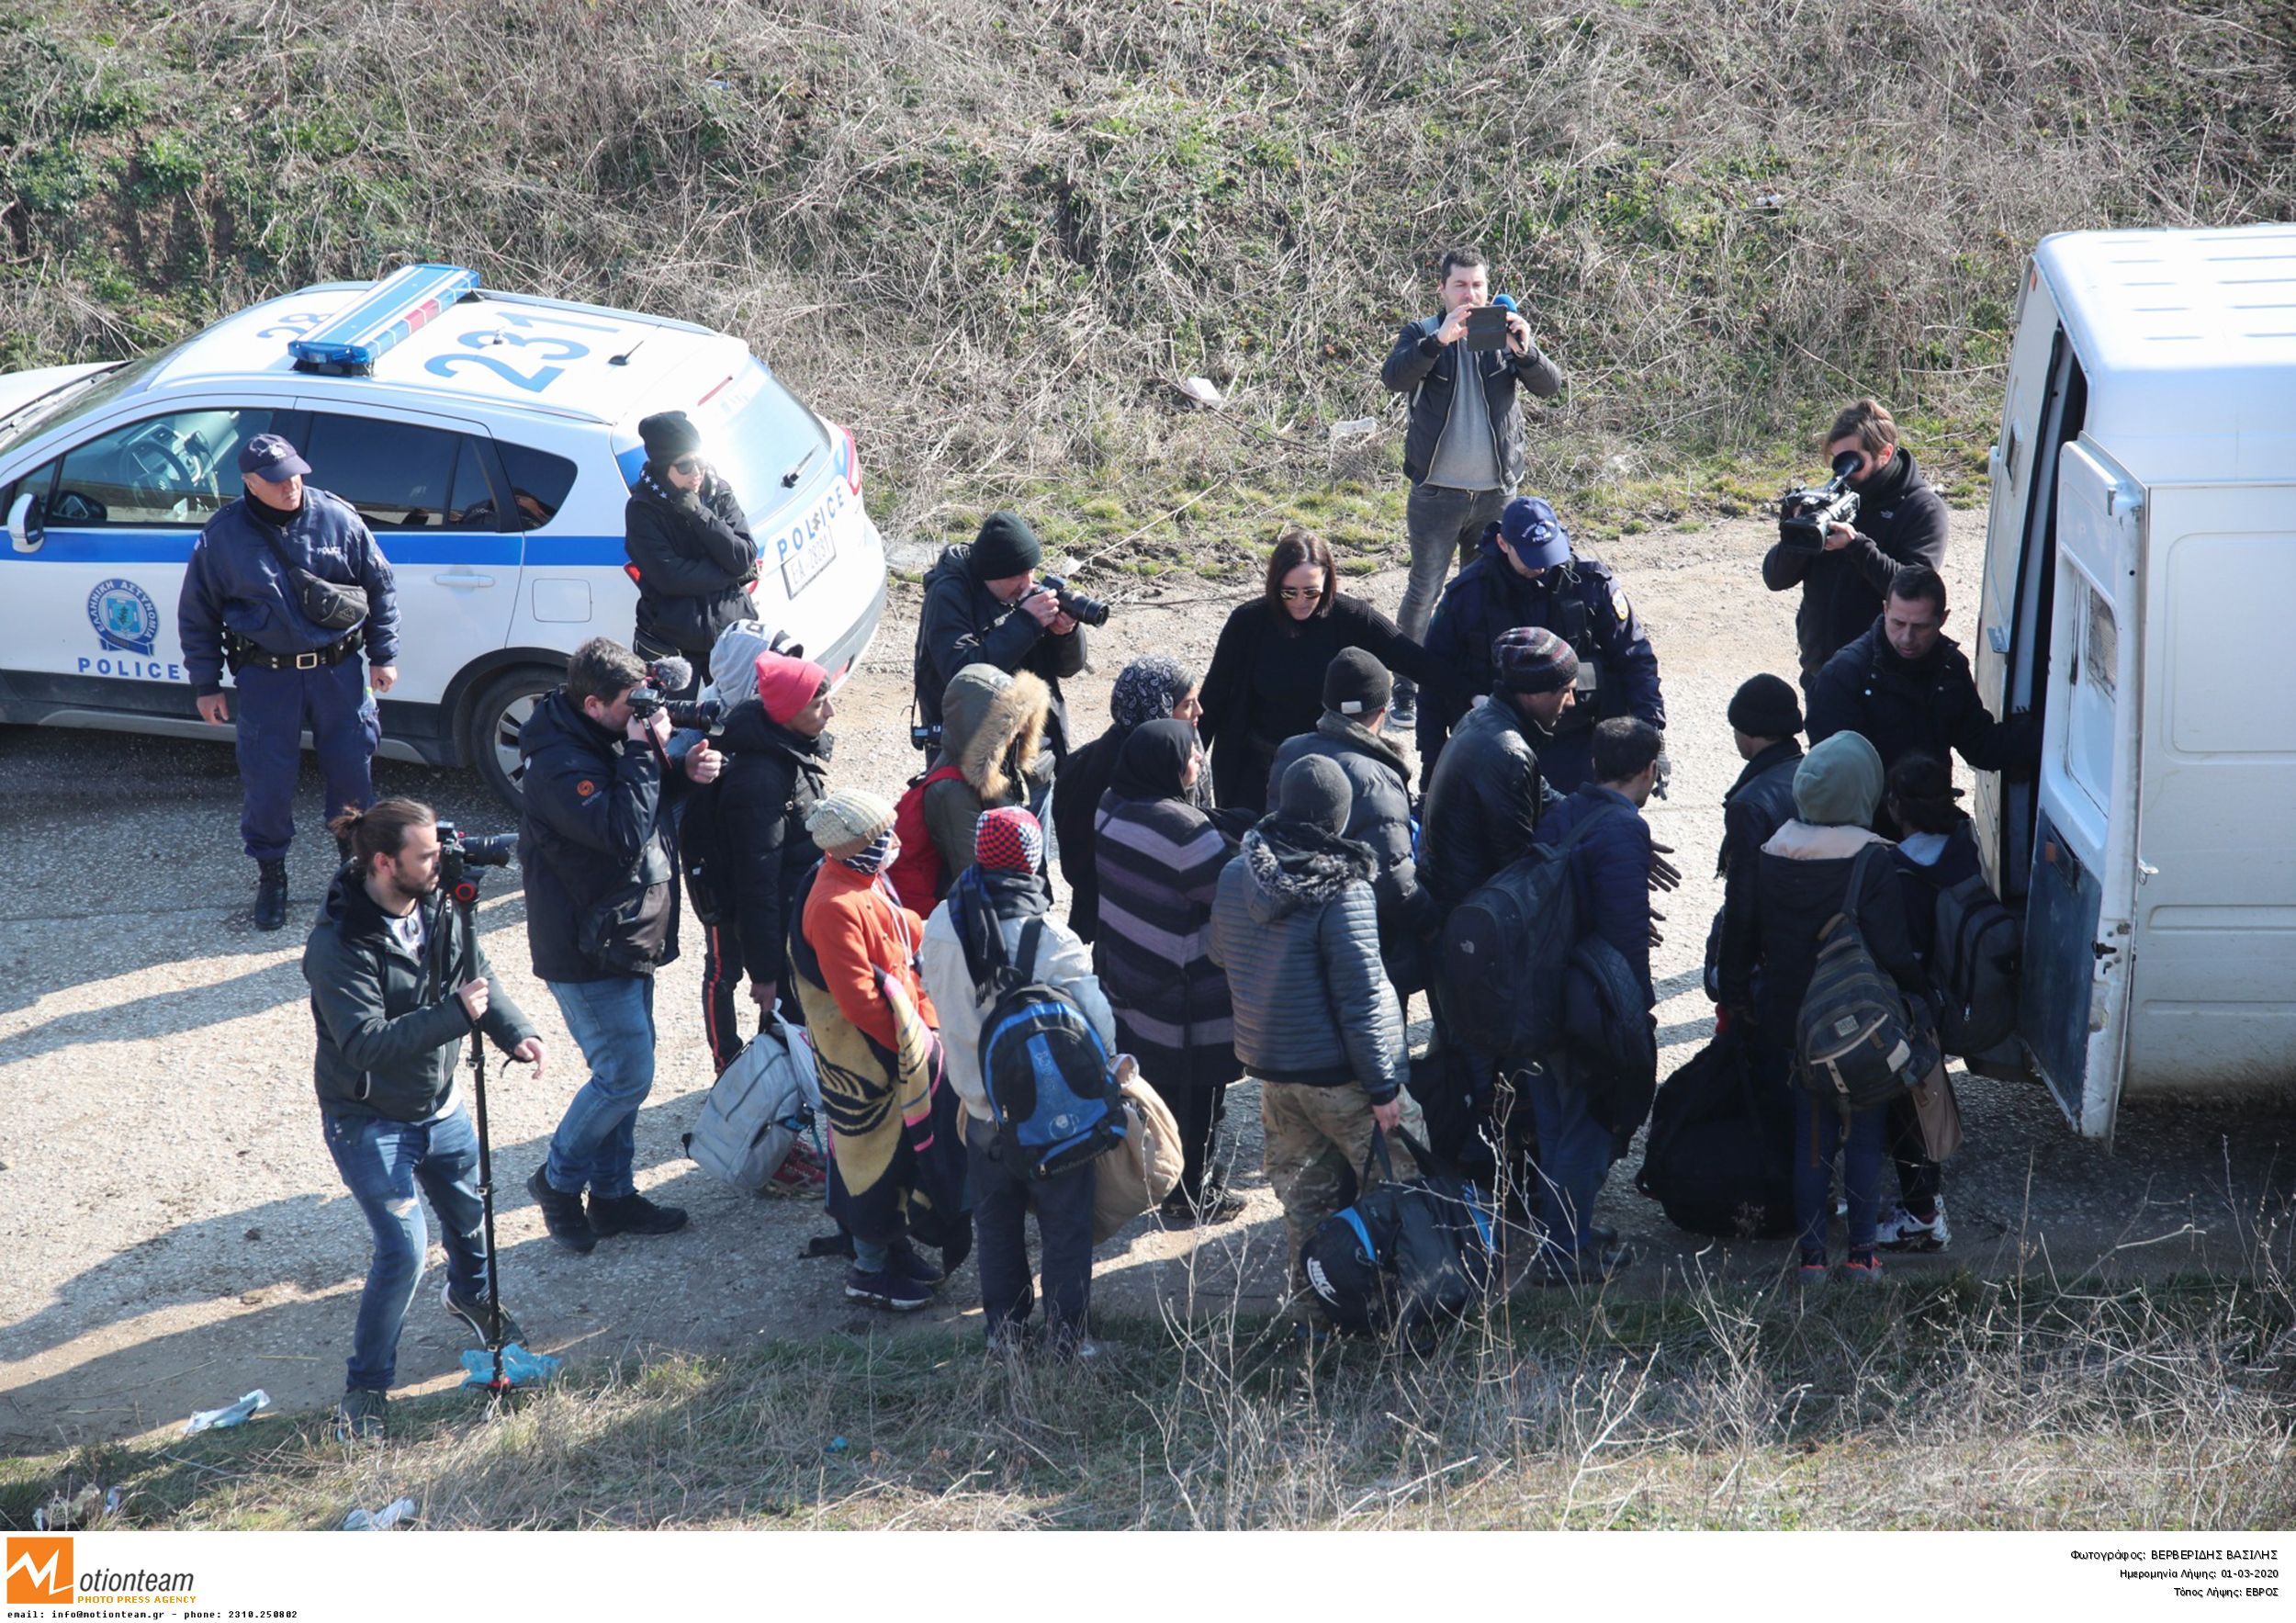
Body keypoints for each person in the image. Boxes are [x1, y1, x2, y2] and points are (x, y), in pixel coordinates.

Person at [302, 798, 545, 1440]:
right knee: (403, 1251)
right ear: (385, 862)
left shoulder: (439, 903)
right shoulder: (338, 942)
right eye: (428, 854)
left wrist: (513, 1031)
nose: (442, 860)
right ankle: (366, 1390)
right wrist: (458, 1016)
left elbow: (477, 975)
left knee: (470, 1217)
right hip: (369, 1119)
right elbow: (365, 1043)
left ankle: (471, 1297)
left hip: (441, 1106)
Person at [517, 637, 723, 1255]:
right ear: (591, 702)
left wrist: (680, 775)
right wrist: (641, 750)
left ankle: (612, 1195)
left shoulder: (602, 730)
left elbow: (649, 805)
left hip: (629, 929)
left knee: (622, 1074)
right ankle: (557, 1180)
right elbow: (622, 830)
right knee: (626, 1075)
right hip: (586, 945)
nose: (641, 713)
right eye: (629, 705)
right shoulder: (556, 764)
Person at [178, 432, 400, 930]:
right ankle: (272, 876)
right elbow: (198, 615)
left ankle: (354, 872)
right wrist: (205, 683)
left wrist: (383, 655)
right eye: (278, 480)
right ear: (251, 483)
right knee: (267, 783)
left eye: (297, 474)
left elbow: (380, 586)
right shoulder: (224, 535)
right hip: (267, 678)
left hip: (338, 671)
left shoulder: (337, 517)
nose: (291, 486)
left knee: (352, 775)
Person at [1733, 731, 1930, 1284]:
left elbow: (1743, 933)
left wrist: (1738, 996)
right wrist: (1926, 998)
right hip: (1859, 1026)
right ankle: (1863, 1257)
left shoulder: (1770, 851)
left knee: (1811, 1140)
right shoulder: (1872, 860)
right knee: (1865, 1136)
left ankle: (1812, 1260)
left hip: (1792, 1023)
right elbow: (1893, 951)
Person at [1210, 755, 1423, 1267]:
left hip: (1275, 1076)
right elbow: (1363, 998)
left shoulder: (1238, 873)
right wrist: (1383, 1088)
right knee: (1407, 1191)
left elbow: (1221, 953)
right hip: (1344, 1080)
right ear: (1339, 818)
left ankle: (1314, 1316)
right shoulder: (1346, 890)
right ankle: (1406, 1311)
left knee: (1305, 1208)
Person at [923, 808, 1115, 1355]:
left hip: (978, 1109)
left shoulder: (941, 923)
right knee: (1064, 1224)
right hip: (1049, 1112)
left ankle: (1004, 1336)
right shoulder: (1050, 936)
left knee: (997, 1224)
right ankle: (1067, 1340)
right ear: (1033, 860)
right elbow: (1097, 1022)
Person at [1379, 246, 1564, 728]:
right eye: (1461, 286)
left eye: (1478, 285)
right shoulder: (1422, 333)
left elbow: (1550, 386)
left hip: (1496, 494)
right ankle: (1406, 687)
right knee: (1423, 593)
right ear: (1442, 290)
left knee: (1489, 593)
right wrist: (1437, 342)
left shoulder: (1502, 335)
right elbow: (1393, 378)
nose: (1471, 294)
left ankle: (1482, 681)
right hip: (1436, 493)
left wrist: (1526, 350)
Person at [790, 788, 955, 1312]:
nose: (892, 842)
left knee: (900, 1157)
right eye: (881, 837)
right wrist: (910, 1051)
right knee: (872, 1163)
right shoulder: (833, 904)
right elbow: (860, 1001)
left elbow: (899, 930)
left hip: (891, 1043)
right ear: (852, 846)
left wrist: (944, 931)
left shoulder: (862, 879)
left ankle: (893, 1249)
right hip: (867, 1059)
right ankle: (868, 1271)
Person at [1093, 719, 1244, 1224]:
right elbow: (1233, 895)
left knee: (1152, 1089)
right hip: (1186, 1002)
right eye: (1193, 757)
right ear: (1171, 767)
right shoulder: (1186, 833)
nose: (1198, 763)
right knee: (1200, 1099)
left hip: (1132, 982)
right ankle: (1192, 1192)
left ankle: (1156, 1171)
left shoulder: (1110, 804)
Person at [1528, 718, 1662, 1285]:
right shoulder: (1625, 831)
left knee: (1556, 1122)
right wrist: (1635, 1015)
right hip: (1591, 1004)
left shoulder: (1561, 813)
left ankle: (1564, 1236)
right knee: (1587, 1127)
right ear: (1649, 772)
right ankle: (1564, 1255)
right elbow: (1626, 934)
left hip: (1543, 993)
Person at [1416, 494, 1664, 796]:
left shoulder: (1591, 583)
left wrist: (1651, 740)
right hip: (1497, 742)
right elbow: (1432, 678)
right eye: (1532, 557)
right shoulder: (1468, 595)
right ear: (1504, 544)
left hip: (1577, 737)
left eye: (1549, 553)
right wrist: (1432, 764)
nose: (1542, 567)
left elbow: (1635, 659)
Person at [1198, 528, 1445, 816]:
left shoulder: (1350, 616)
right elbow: (1213, 697)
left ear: (1328, 582)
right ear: (1274, 585)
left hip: (1326, 768)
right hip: (1256, 764)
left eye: (1311, 591)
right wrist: (1184, 760)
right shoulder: (1248, 622)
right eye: (1289, 592)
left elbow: (1415, 661)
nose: (1301, 601)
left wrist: (1475, 693)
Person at [685, 642, 835, 1079]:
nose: (830, 713)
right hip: (763, 923)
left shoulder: (787, 744)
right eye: (819, 704)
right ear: (788, 712)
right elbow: (757, 882)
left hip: (788, 917)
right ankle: (742, 1086)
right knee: (780, 1036)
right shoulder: (759, 780)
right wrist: (765, 972)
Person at [1266, 648, 1435, 994]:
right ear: (1384, 710)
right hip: (1366, 950)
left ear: (1327, 704)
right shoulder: (1377, 779)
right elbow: (1395, 883)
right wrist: (1433, 920)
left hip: (1295, 939)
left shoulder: (1291, 751)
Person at [1806, 568, 2041, 805]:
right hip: (1867, 826)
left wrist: (2050, 737)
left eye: (1920, 627)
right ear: (1885, 610)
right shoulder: (1844, 674)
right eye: (1898, 623)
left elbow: (1981, 745)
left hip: (1928, 822)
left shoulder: (1950, 669)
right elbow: (1831, 773)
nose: (1907, 638)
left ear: (1943, 619)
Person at [1761, 398, 1950, 693]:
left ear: (1885, 454)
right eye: (1838, 461)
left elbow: (1919, 592)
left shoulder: (1921, 508)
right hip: (1822, 671)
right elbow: (1775, 578)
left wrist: (1857, 547)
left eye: (1853, 462)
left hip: (1885, 676)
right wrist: (1796, 534)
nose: (1844, 473)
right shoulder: (1832, 500)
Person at [1876, 751, 1978, 1255]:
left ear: (1896, 807)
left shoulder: (1898, 868)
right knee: (1925, 1097)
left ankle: (1921, 1214)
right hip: (1951, 992)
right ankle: (1922, 1208)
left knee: (1905, 1105)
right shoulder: (1965, 846)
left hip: (1911, 998)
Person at [914, 511, 1086, 775]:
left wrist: (1066, 634)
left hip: (1039, 755)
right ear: (990, 573)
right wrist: (1027, 622)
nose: (1028, 583)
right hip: (976, 761)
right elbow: (963, 674)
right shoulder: (948, 596)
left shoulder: (1023, 593)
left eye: (1031, 571)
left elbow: (1068, 667)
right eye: (1018, 575)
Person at [1054, 655, 1203, 943]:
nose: (1199, 711)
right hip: (1129, 919)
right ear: (1156, 708)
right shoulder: (1108, 772)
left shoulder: (1177, 751)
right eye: (1187, 704)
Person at [622, 411, 758, 698]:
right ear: (662, 468)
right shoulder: (642, 509)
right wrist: (731, 576)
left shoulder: (718, 492)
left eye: (700, 460)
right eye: (684, 465)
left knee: (741, 719)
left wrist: (699, 513)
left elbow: (743, 556)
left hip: (731, 632)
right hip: (674, 643)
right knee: (669, 728)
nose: (696, 472)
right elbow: (670, 578)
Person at [1710, 674, 1806, 1009]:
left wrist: (1731, 987)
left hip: (1772, 954)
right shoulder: (1814, 774)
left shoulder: (1750, 804)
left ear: (1747, 732)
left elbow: (1743, 900)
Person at [919, 665, 1051, 900]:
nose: (1021, 729)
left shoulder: (1002, 765)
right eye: (1009, 724)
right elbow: (975, 881)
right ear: (981, 729)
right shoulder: (953, 793)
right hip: (985, 914)